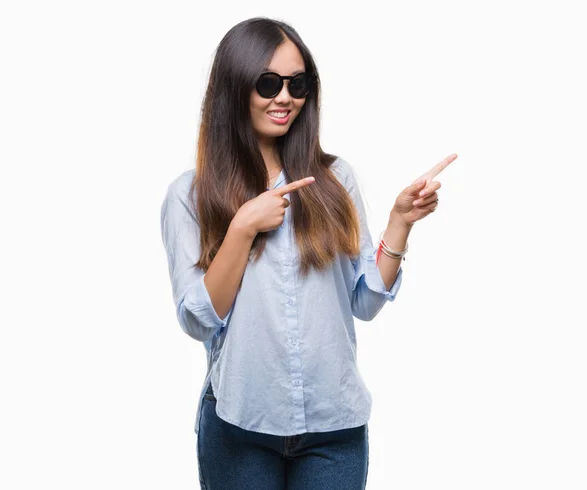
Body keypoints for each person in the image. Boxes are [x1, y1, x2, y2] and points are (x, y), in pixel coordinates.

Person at [160, 16, 456, 490]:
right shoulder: (190, 194)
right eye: (268, 82)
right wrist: (242, 228)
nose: (285, 97)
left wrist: (400, 223)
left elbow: (365, 301)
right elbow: (198, 320)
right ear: (234, 86)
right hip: (240, 425)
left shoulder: (336, 179)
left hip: (333, 428)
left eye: (297, 83)